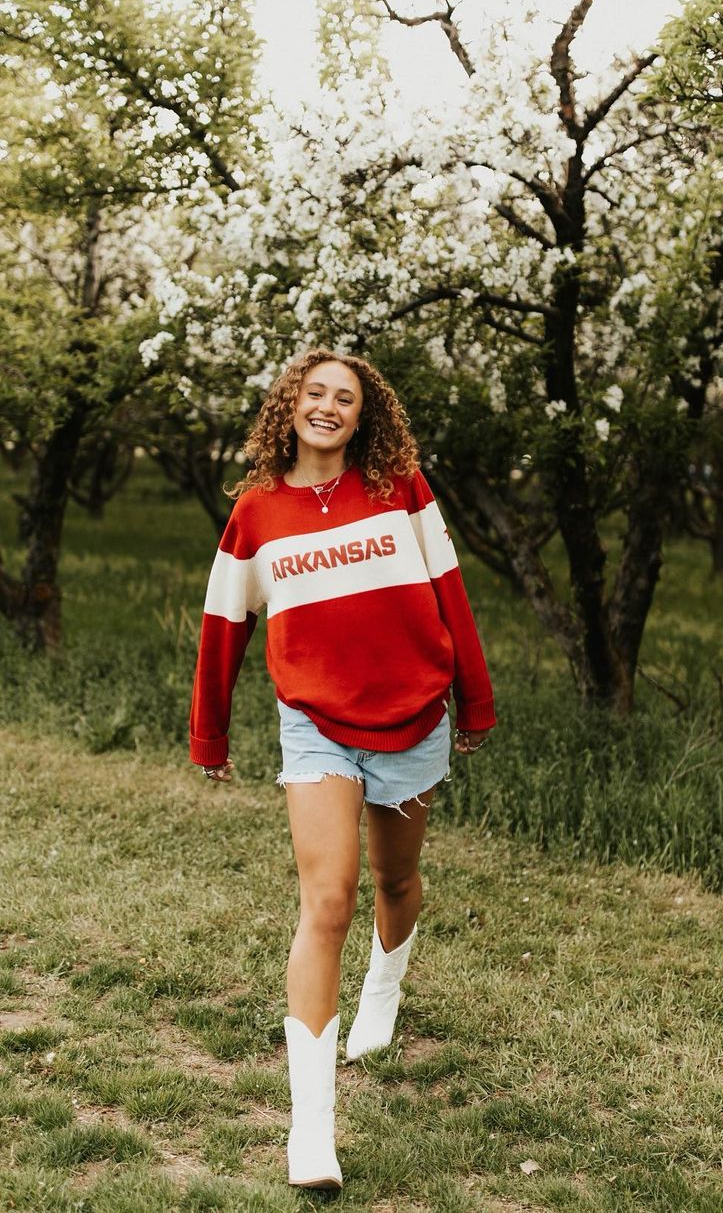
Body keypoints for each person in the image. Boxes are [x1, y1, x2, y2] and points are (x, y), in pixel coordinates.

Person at [188, 348, 495, 1190]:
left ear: (365, 416)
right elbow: (224, 622)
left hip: (412, 714)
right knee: (327, 902)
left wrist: (475, 700)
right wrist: (209, 734)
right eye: (314, 393)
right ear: (289, 406)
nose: (327, 406)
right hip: (315, 723)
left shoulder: (402, 490)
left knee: (397, 881)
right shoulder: (256, 513)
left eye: (345, 398)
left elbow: (451, 592)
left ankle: (384, 988)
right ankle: (311, 1131)